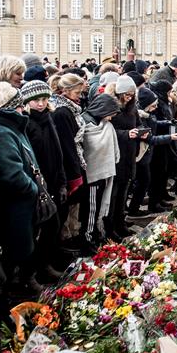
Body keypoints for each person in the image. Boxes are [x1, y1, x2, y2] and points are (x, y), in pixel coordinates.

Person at [0, 82, 42, 295]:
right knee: (17, 249)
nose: (23, 109)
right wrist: (32, 188)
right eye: (20, 105)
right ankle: (16, 289)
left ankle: (22, 283)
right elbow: (12, 174)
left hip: (21, 202)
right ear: (11, 107)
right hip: (15, 204)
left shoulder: (11, 126)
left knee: (24, 245)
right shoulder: (1, 132)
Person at [21, 80, 67, 280]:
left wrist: (62, 179)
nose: (40, 104)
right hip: (39, 182)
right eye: (35, 100)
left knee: (53, 225)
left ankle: (45, 263)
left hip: (54, 178)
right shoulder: (27, 122)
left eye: (43, 99)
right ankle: (34, 269)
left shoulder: (49, 118)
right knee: (43, 226)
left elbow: (58, 151)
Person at [79, 92, 120, 254]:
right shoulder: (85, 122)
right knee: (90, 208)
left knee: (96, 207)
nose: (111, 118)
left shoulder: (105, 124)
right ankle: (87, 238)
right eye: (111, 114)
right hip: (92, 174)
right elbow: (86, 148)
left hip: (104, 172)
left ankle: (95, 232)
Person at [128, 88, 177, 215]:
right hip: (142, 155)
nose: (156, 108)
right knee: (144, 181)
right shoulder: (140, 116)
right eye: (153, 105)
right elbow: (150, 138)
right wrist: (170, 137)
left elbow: (155, 123)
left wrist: (169, 122)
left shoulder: (148, 114)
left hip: (148, 154)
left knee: (148, 180)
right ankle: (134, 209)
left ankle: (142, 206)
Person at [49, 73, 88, 244]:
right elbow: (67, 145)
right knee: (68, 207)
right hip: (70, 165)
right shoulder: (62, 112)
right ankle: (66, 238)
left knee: (74, 205)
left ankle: (72, 234)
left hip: (76, 160)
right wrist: (75, 174)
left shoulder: (70, 108)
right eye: (78, 93)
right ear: (65, 91)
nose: (80, 97)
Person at [104, 75, 144, 240]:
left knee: (123, 193)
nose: (128, 98)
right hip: (116, 154)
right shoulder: (112, 106)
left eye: (131, 95)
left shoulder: (132, 108)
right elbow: (108, 129)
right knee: (114, 195)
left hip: (130, 153)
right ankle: (110, 227)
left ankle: (121, 223)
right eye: (126, 95)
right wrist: (127, 134)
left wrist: (142, 130)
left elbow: (139, 123)